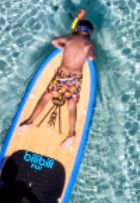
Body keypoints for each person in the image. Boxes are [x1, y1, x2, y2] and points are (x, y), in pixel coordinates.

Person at [16, 20, 96, 149]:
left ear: (76, 29)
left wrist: (65, 48)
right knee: (71, 104)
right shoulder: (88, 45)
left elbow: (54, 41)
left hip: (62, 75)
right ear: (89, 34)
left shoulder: (70, 38)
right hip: (75, 78)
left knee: (47, 96)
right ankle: (71, 133)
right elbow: (91, 58)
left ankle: (30, 121)